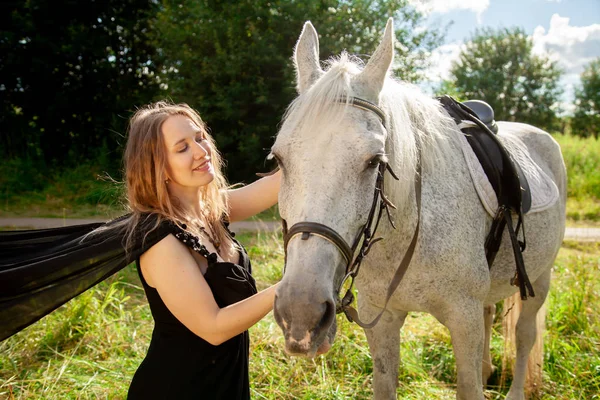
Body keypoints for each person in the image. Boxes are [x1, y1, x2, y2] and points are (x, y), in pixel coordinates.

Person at [119, 101, 282, 399]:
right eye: (181, 148)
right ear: (158, 166)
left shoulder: (211, 210)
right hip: (179, 389)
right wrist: (290, 287)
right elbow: (214, 327)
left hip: (226, 385)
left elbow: (277, 185)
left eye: (199, 137)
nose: (200, 151)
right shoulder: (161, 242)